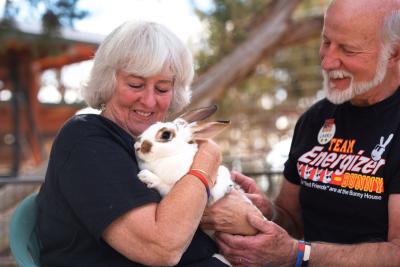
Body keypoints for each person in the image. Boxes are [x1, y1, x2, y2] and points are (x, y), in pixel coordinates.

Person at [36, 20, 257, 267]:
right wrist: (208, 158)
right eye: (135, 85)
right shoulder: (86, 139)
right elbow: (161, 248)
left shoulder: (152, 146)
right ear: (108, 81)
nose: (149, 101)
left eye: (162, 89)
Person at [202, 0, 400, 266]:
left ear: (394, 53)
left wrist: (299, 254)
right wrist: (265, 210)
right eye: (326, 41)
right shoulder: (316, 118)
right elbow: (292, 220)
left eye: (348, 49)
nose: (328, 61)